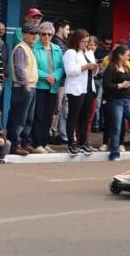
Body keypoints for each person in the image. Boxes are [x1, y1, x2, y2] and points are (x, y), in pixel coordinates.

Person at [102, 45, 130, 161]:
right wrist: (121, 85)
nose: (129, 56)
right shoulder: (111, 67)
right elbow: (105, 85)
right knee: (116, 127)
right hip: (115, 101)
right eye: (127, 54)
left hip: (127, 101)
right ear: (120, 55)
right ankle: (114, 153)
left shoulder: (127, 67)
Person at [63, 30, 99, 157]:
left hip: (88, 87)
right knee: (73, 115)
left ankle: (83, 141)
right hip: (75, 88)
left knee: (85, 116)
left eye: (86, 42)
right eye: (82, 42)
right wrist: (85, 67)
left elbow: (93, 73)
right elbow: (70, 71)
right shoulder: (70, 53)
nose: (85, 44)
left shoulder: (88, 52)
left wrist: (94, 68)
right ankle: (71, 143)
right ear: (76, 41)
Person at [8, 23, 40, 156]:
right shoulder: (21, 48)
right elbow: (19, 68)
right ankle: (16, 144)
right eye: (31, 34)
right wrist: (25, 84)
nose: (34, 36)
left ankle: (25, 142)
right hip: (23, 87)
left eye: (35, 34)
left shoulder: (29, 48)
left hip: (32, 86)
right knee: (20, 118)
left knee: (28, 118)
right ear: (24, 34)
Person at [32, 22, 64, 154]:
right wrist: (46, 76)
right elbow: (32, 67)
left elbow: (62, 67)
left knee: (49, 116)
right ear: (39, 34)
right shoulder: (34, 48)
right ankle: (37, 142)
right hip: (40, 85)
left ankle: (45, 142)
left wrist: (55, 77)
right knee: (38, 115)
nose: (46, 36)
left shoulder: (57, 48)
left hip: (53, 87)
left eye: (49, 34)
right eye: (43, 34)